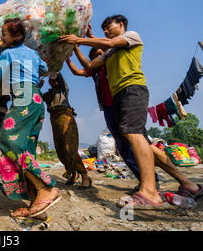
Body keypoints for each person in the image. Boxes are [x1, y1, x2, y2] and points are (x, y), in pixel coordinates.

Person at [59, 15, 202, 209]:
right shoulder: (110, 53)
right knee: (146, 144)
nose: (106, 31)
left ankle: (150, 192)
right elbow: (90, 66)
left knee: (131, 134)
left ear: (121, 25)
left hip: (132, 89)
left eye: (108, 27)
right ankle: (189, 184)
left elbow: (109, 42)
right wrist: (76, 46)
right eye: (103, 29)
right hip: (120, 96)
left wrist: (78, 39)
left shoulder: (132, 36)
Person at [0, 18, 60, 219]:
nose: (1, 37)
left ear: (16, 36)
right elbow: (42, 70)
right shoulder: (33, 54)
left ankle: (45, 188)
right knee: (26, 148)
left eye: (4, 34)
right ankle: (37, 206)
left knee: (8, 142)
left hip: (23, 99)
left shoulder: (7, 54)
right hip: (36, 99)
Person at [66, 45, 160, 189]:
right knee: (122, 146)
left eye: (99, 53)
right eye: (94, 55)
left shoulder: (112, 62)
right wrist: (67, 57)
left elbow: (109, 46)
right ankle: (144, 180)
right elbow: (77, 71)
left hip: (123, 104)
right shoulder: (95, 71)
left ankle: (152, 180)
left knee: (137, 142)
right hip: (109, 109)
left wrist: (78, 44)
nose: (97, 56)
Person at [42, 73, 92, 189]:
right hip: (54, 119)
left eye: (53, 79)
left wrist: (53, 69)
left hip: (65, 115)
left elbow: (58, 76)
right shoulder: (49, 94)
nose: (52, 81)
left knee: (69, 147)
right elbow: (37, 95)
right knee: (60, 149)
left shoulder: (63, 89)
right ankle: (73, 173)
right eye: (50, 79)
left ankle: (84, 176)